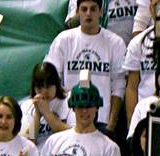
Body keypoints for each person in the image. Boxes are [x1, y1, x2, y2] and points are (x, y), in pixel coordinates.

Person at [46, 0, 128, 132]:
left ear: (101, 12)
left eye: (93, 9)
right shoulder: (63, 40)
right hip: (68, 119)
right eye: (84, 9)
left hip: (102, 121)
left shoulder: (115, 43)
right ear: (77, 12)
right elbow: (51, 78)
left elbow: (118, 87)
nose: (88, 13)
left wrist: (111, 124)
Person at [40, 75, 121, 156]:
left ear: (97, 107)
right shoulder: (54, 141)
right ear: (73, 108)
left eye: (89, 106)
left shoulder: (109, 147)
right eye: (80, 106)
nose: (84, 111)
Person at [20, 60, 70, 151]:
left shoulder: (68, 101)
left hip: (63, 154)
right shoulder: (27, 106)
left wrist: (47, 113)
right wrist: (37, 115)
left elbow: (72, 136)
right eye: (39, 88)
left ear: (56, 84)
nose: (44, 92)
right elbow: (27, 143)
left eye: (48, 87)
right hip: (38, 155)